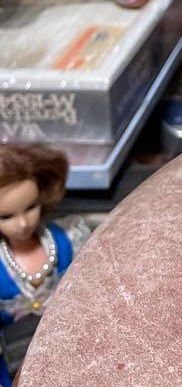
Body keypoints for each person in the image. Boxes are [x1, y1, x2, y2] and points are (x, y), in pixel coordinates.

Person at [0, 145, 90, 387]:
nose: (22, 223)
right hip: (17, 357)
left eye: (31, 207)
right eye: (6, 216)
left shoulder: (68, 238)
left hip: (73, 341)